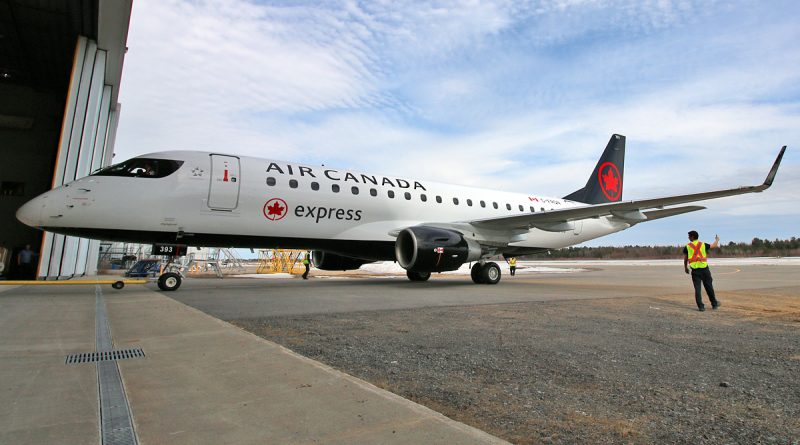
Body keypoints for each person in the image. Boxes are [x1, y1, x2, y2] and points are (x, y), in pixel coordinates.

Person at [683, 231, 720, 311]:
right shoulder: (703, 244)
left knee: (697, 289)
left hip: (695, 271)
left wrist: (685, 267)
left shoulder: (687, 246)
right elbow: (714, 245)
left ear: (692, 237)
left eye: (689, 236)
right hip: (704, 269)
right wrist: (717, 240)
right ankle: (714, 304)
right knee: (709, 287)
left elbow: (685, 258)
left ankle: (701, 307)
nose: (688, 237)